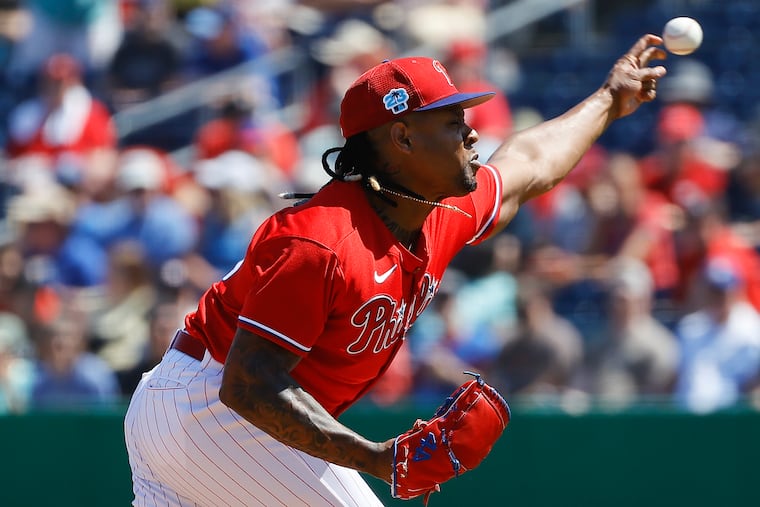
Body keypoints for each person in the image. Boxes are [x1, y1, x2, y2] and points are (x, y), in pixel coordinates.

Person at [124, 34, 666, 506]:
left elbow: (528, 166)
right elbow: (248, 384)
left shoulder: (440, 211)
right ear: (403, 139)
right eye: (453, 122)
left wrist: (607, 100)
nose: (472, 135)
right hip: (213, 407)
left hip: (198, 413)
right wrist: (376, 458)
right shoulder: (321, 242)